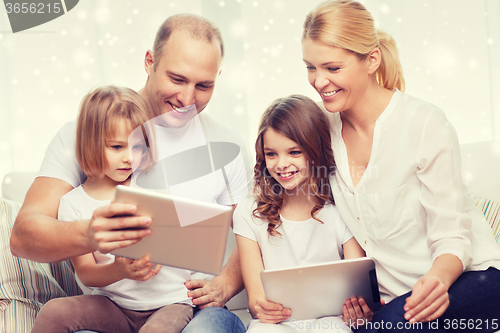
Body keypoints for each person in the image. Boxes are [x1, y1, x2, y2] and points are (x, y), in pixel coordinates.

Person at [11, 14, 252, 333]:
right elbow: (24, 236)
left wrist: (224, 284)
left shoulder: (227, 145)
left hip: (189, 307)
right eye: (177, 79)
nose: (188, 99)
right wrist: (90, 234)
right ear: (149, 61)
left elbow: (254, 229)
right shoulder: (85, 135)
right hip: (113, 305)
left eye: (204, 85)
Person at [301, 0, 500, 332]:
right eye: (310, 67)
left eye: (332, 68)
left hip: (467, 279)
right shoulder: (322, 130)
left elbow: (453, 236)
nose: (319, 81)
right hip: (396, 299)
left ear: (372, 60)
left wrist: (437, 277)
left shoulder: (424, 124)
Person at [31, 85, 197, 333]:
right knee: (53, 312)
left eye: (138, 147)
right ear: (90, 144)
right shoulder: (72, 204)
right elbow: (86, 273)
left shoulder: (155, 185)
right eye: (117, 147)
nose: (130, 157)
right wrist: (119, 270)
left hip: (170, 303)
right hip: (114, 306)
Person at [233, 95, 368, 333]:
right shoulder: (249, 211)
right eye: (271, 154)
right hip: (274, 324)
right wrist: (261, 307)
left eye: (294, 152)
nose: (281, 164)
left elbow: (358, 286)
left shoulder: (340, 207)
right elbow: (255, 299)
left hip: (331, 320)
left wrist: (359, 312)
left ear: (314, 151)